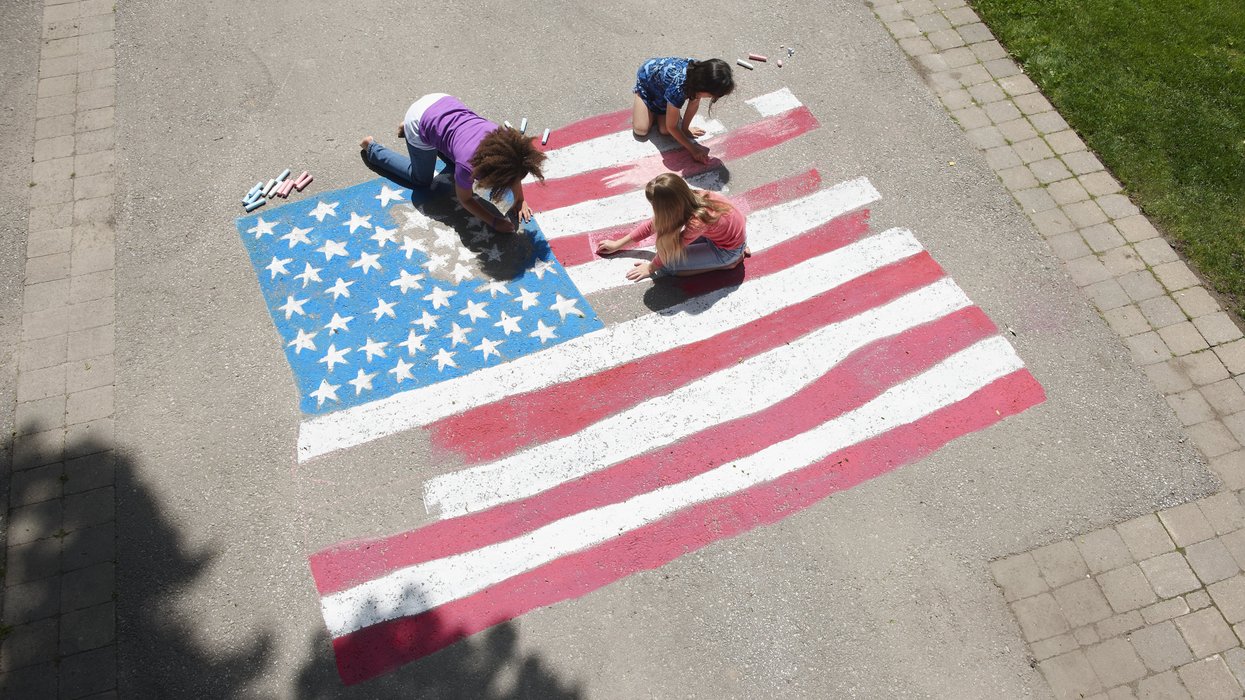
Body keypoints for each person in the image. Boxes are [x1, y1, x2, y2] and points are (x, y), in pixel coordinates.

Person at [359, 94, 547, 233]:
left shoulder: (505, 141)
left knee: (449, 147)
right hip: (420, 122)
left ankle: (408, 126)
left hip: (441, 102)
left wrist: (519, 199)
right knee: (421, 179)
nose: (514, 183)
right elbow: (465, 199)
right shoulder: (467, 166)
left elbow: (513, 168)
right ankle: (373, 148)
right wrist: (494, 221)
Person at [596, 173, 748, 281]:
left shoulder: (696, 222)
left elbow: (671, 251)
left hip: (726, 251)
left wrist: (650, 268)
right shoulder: (694, 196)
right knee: (663, 254)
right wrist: (618, 244)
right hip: (727, 237)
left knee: (669, 267)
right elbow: (652, 225)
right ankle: (736, 251)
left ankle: (727, 264)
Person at [631, 58, 735, 164]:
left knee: (665, 130)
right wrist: (693, 149)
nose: (710, 97)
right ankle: (642, 96)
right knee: (641, 130)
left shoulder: (700, 75)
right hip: (647, 84)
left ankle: (665, 106)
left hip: (664, 88)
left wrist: (685, 129)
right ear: (703, 87)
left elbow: (694, 102)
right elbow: (671, 127)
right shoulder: (678, 89)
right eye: (710, 95)